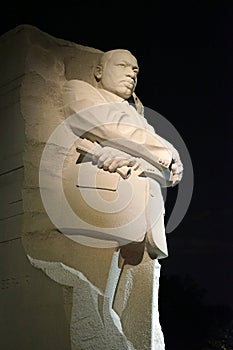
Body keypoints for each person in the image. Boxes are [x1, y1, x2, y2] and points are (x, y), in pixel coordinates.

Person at [62, 49, 183, 262]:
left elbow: (162, 165)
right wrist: (164, 152)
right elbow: (111, 127)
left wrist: (173, 156)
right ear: (99, 71)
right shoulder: (79, 89)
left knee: (135, 288)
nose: (131, 75)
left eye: (135, 70)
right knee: (95, 285)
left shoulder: (136, 115)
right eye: (122, 66)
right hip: (104, 204)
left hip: (146, 215)